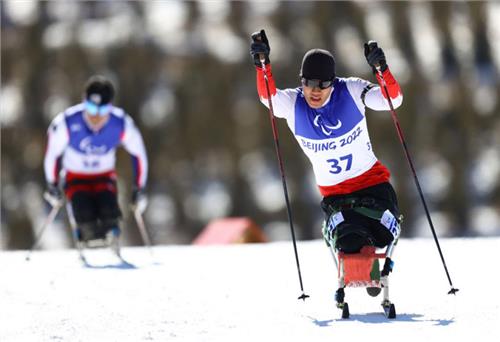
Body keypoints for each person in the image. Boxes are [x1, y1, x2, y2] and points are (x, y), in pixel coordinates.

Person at [250, 30, 402, 254]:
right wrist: (262, 65)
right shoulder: (294, 104)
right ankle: (364, 269)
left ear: (334, 82)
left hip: (374, 188)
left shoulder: (351, 90)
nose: (315, 90)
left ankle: (371, 267)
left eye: (323, 84)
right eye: (309, 83)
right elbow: (268, 98)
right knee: (350, 242)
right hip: (337, 197)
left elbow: (393, 100)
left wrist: (382, 70)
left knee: (383, 236)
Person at [43, 75, 148, 245]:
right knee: (85, 219)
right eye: (91, 109)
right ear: (84, 102)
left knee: (109, 214)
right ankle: (83, 233)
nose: (96, 117)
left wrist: (140, 187)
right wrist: (52, 184)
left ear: (110, 107)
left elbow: (139, 154)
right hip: (75, 177)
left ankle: (112, 235)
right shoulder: (67, 122)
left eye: (102, 111)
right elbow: (52, 154)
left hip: (104, 176)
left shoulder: (121, 123)